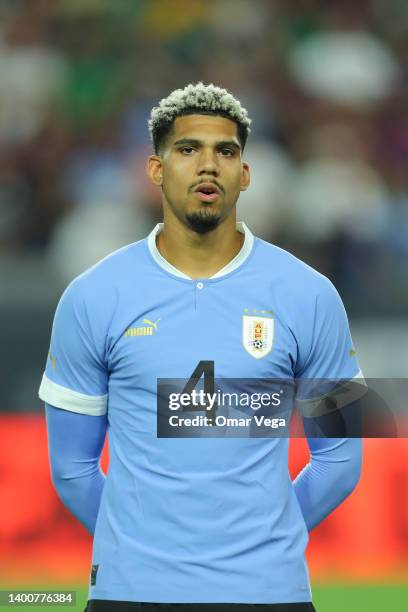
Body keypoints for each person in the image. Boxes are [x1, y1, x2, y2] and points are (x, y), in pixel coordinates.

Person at [39, 82, 363, 612]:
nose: (208, 165)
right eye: (188, 149)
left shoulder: (312, 295)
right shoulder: (93, 296)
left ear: (246, 174)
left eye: (226, 152)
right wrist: (147, 554)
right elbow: (71, 468)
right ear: (156, 170)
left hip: (268, 591)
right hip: (132, 592)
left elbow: (341, 459)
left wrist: (260, 547)